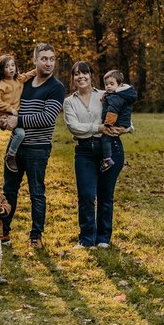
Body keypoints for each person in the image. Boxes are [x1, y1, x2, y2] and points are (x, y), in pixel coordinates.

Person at [1, 43, 65, 250]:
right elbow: (11, 108)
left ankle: (36, 236)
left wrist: (17, 121)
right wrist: (4, 120)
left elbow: (47, 118)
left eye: (52, 59)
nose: (48, 63)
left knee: (37, 192)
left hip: (38, 148)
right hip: (15, 147)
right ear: (35, 60)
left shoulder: (56, 87)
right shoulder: (24, 84)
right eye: (44, 58)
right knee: (9, 190)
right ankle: (3, 232)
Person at [63, 61, 128, 249]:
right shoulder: (69, 102)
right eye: (76, 74)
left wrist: (125, 129)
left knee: (105, 195)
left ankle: (103, 239)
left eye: (85, 73)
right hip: (84, 151)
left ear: (92, 75)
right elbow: (74, 127)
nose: (81, 76)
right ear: (73, 78)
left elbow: (124, 113)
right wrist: (98, 127)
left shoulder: (105, 95)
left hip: (110, 148)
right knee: (86, 195)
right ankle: (86, 239)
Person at [0, 54, 37, 173]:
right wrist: (10, 109)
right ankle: (10, 155)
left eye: (13, 65)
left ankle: (3, 125)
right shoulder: (0, 85)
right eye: (7, 67)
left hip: (18, 115)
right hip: (7, 115)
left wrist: (40, 68)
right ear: (1, 70)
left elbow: (29, 74)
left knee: (24, 131)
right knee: (20, 134)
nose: (11, 68)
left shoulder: (19, 80)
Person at [98, 70, 138, 172]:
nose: (108, 87)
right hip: (122, 121)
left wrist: (107, 124)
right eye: (106, 84)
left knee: (105, 139)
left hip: (117, 122)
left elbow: (112, 112)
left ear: (119, 85)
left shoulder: (116, 97)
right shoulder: (117, 95)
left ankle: (107, 159)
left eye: (112, 84)